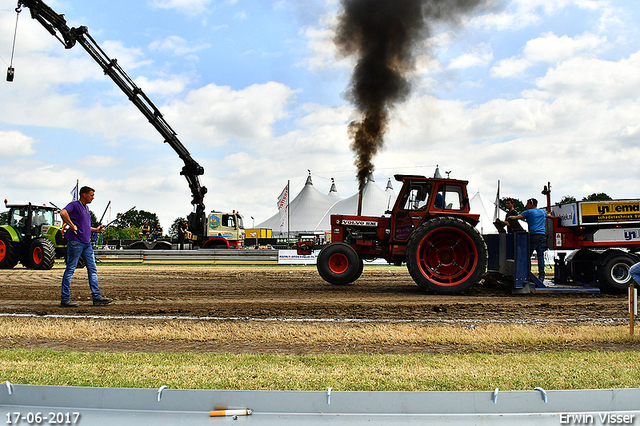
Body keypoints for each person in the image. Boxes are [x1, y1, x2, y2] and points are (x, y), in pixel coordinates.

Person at [59, 186, 112, 307]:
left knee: (92, 269)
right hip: (76, 242)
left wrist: (96, 230)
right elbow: (63, 212)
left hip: (86, 243)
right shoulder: (74, 205)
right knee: (70, 269)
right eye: (91, 195)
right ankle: (65, 298)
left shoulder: (86, 208)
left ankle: (96, 297)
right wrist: (72, 225)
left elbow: (85, 227)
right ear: (84, 195)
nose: (93, 197)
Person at [512, 198, 550, 281]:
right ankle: (542, 276)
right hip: (542, 236)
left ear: (532, 204)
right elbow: (549, 216)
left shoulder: (528, 212)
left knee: (527, 256)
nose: (526, 205)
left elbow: (518, 217)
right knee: (540, 257)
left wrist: (511, 217)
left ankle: (528, 274)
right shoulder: (542, 212)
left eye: (528, 204)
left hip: (533, 236)